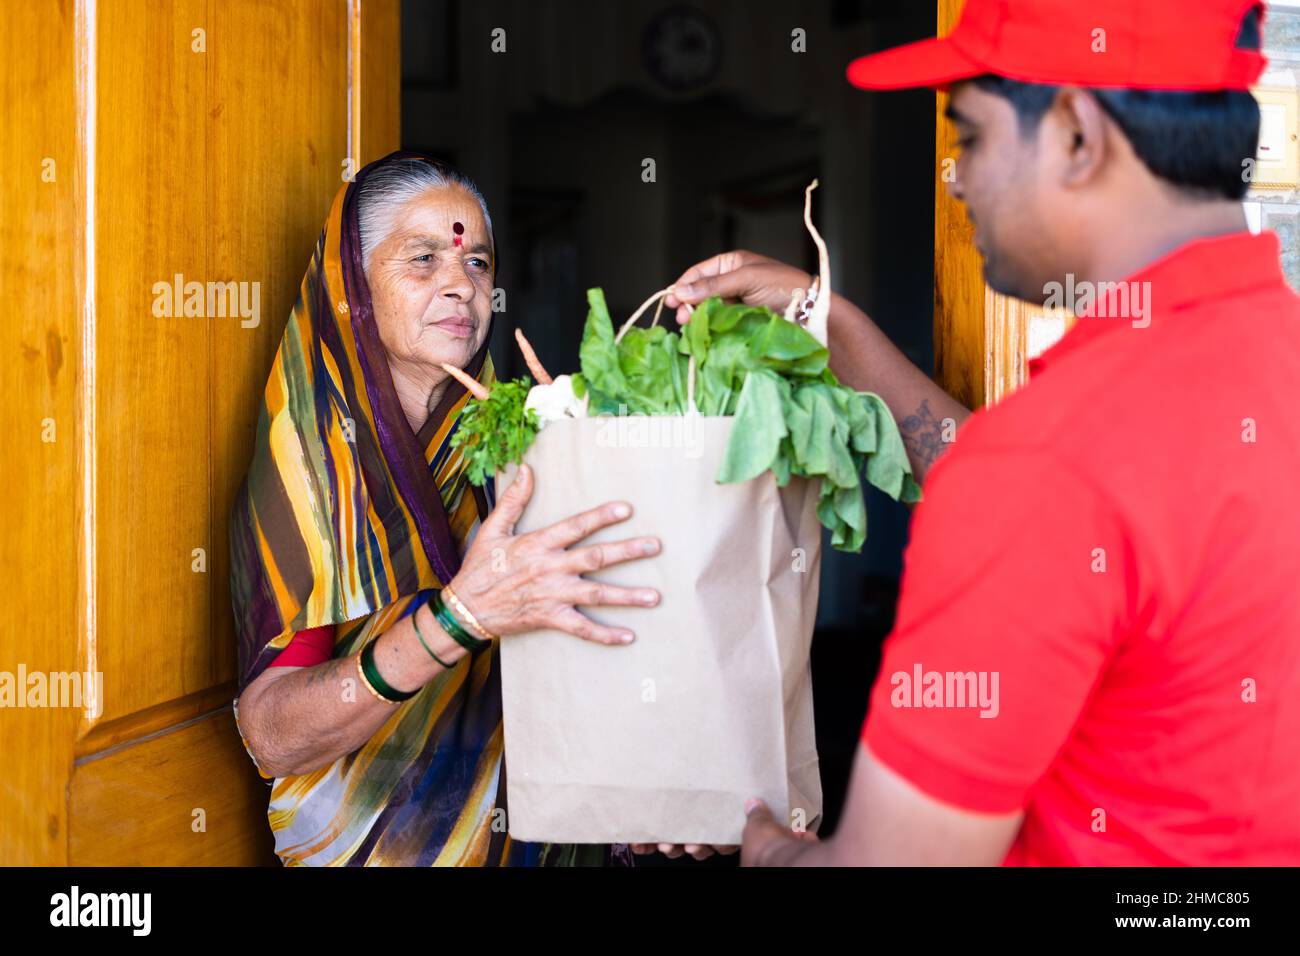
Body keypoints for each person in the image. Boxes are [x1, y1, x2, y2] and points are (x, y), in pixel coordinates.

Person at [670, 0, 1300, 865]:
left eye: (968, 137)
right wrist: (833, 322)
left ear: (1078, 134)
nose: (956, 178)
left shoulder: (1047, 464)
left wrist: (768, 845)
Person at [229, 152, 662, 866]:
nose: (462, 284)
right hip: (379, 843)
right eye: (423, 259)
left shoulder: (522, 436)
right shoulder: (310, 469)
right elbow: (273, 737)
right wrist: (459, 619)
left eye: (478, 264)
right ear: (351, 287)